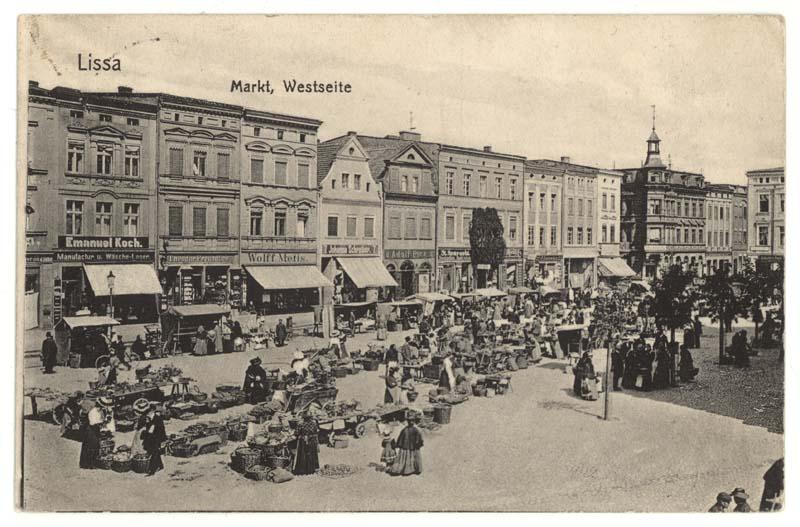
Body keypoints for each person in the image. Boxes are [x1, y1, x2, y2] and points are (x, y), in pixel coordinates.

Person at [80, 396, 112, 469]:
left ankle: (92, 463)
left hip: (95, 430)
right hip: (91, 430)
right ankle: (87, 464)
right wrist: (103, 423)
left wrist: (107, 418)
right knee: (90, 447)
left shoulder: (100, 411)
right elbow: (93, 423)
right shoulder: (93, 411)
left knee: (95, 446)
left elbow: (102, 419)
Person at [140, 401, 167, 476]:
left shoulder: (157, 419)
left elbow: (160, 431)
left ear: (152, 411)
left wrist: (162, 441)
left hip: (157, 438)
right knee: (156, 452)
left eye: (147, 412)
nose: (146, 414)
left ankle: (152, 470)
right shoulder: (149, 418)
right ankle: (160, 466)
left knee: (154, 453)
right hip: (152, 438)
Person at [292, 408, 320, 475]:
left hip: (303, 441)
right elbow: (316, 431)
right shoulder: (314, 423)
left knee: (303, 455)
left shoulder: (300, 424)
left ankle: (303, 470)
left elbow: (296, 433)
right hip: (312, 440)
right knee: (312, 454)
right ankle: (312, 469)